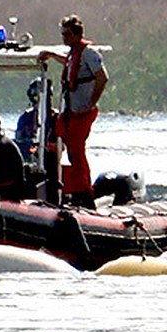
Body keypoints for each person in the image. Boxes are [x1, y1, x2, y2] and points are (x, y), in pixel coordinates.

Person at [38, 14, 108, 208]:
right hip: (70, 111)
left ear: (77, 34)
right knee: (57, 142)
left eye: (67, 34)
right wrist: (51, 55)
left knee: (77, 151)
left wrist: (91, 102)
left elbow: (102, 77)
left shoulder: (89, 53)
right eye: (63, 34)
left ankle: (84, 192)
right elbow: (69, 64)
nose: (64, 38)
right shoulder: (73, 53)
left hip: (82, 112)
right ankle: (58, 184)